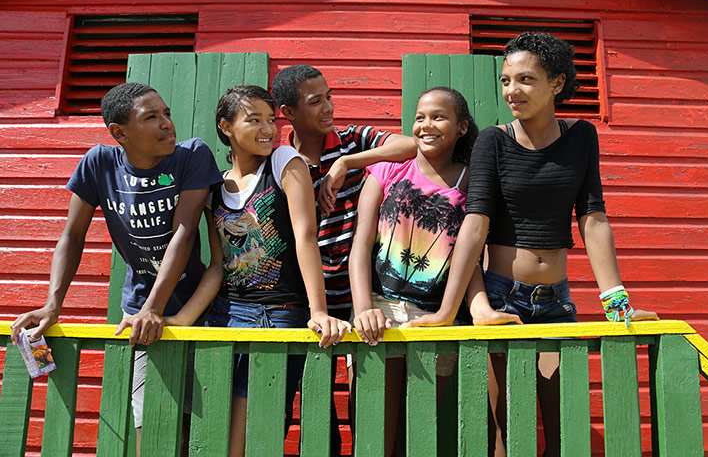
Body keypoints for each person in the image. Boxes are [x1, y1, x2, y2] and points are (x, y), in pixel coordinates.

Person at [432, 32, 659, 456]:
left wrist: (617, 304)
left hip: (557, 302)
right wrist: (449, 310)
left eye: (525, 80)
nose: (511, 91)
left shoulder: (581, 137)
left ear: (556, 83)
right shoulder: (493, 141)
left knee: (561, 432)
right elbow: (475, 224)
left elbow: (592, 219)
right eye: (505, 81)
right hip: (503, 300)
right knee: (503, 435)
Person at [10, 82, 224, 453]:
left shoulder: (191, 155)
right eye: (152, 117)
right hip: (139, 311)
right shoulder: (99, 163)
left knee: (198, 428)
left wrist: (154, 310)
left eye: (167, 113)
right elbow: (72, 237)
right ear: (119, 133)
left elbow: (184, 233)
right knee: (151, 424)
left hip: (197, 309)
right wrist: (52, 303)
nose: (167, 124)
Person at [163, 85, 351, 457]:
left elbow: (306, 237)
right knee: (208, 430)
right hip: (222, 316)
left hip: (278, 315)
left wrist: (318, 312)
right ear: (226, 126)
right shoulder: (215, 186)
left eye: (271, 120)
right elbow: (219, 266)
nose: (268, 129)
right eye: (254, 120)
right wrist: (183, 319)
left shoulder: (284, 161)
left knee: (247, 440)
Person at [271, 64, 416, 454]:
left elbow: (410, 145)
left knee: (365, 398)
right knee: (315, 405)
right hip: (308, 297)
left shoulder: (354, 140)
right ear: (288, 112)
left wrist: (346, 163)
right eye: (315, 101)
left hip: (359, 293)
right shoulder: (280, 160)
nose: (328, 107)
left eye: (329, 96)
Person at [348, 86, 479, 456]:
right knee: (374, 440)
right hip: (380, 312)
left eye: (438, 117)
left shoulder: (470, 181)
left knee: (417, 440)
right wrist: (362, 309)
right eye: (420, 117)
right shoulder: (387, 170)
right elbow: (361, 247)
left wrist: (459, 312)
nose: (426, 125)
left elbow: (471, 260)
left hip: (435, 318)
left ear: (462, 127)